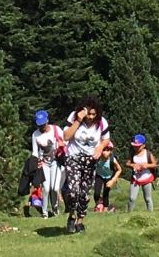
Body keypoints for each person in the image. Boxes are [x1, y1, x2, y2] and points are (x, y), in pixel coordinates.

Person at [62, 99, 110, 234]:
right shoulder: (73, 117)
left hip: (90, 160)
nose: (90, 117)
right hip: (74, 158)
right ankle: (71, 215)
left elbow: (106, 138)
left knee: (83, 194)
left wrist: (100, 147)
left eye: (93, 114)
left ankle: (80, 221)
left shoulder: (101, 122)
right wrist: (78, 120)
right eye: (88, 114)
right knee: (73, 192)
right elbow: (66, 136)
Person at [29, 110, 64, 218]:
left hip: (56, 162)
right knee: (46, 188)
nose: (42, 127)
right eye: (39, 124)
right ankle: (45, 213)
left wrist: (62, 145)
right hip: (43, 164)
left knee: (55, 188)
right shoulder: (35, 135)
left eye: (43, 124)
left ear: (47, 120)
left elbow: (64, 142)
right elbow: (35, 151)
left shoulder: (56, 129)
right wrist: (36, 164)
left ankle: (55, 208)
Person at [127, 133, 158, 212]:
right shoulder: (132, 153)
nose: (135, 147)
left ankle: (150, 213)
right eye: (134, 146)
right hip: (135, 179)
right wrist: (133, 165)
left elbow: (155, 164)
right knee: (132, 198)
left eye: (138, 146)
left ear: (143, 145)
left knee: (148, 198)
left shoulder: (148, 154)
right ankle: (129, 213)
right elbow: (127, 163)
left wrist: (147, 165)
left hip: (146, 178)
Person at [92, 144, 122, 213]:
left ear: (111, 151)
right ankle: (98, 206)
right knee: (96, 193)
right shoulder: (98, 157)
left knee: (106, 193)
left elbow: (119, 170)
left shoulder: (112, 160)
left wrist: (113, 180)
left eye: (107, 150)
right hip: (99, 176)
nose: (105, 152)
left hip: (109, 177)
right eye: (103, 150)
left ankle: (105, 210)